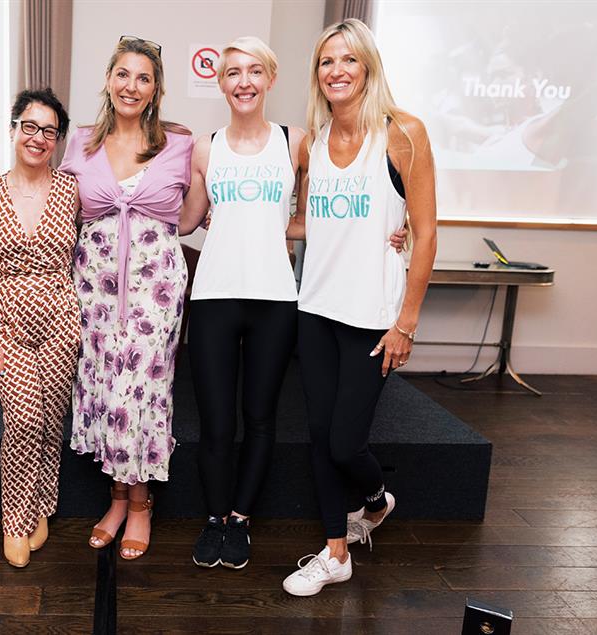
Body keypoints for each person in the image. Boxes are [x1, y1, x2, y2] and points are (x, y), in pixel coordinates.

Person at [178, 37, 407, 571]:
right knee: (215, 424)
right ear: (221, 81)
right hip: (213, 296)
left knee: (260, 419)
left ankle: (240, 520)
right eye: (233, 72)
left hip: (278, 301)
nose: (243, 82)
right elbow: (188, 220)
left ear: (271, 79)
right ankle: (214, 520)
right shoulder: (206, 147)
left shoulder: (299, 141)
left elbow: (338, 204)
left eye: (255, 71)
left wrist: (405, 229)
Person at [282, 19, 437, 596]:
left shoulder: (403, 134)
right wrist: (254, 223)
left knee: (346, 442)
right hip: (316, 308)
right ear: (317, 74)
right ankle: (335, 552)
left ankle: (375, 499)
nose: (337, 71)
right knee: (320, 437)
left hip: (374, 318)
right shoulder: (314, 141)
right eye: (326, 62)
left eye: (348, 60)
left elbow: (426, 233)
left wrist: (407, 322)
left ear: (368, 66)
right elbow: (311, 223)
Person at [59, 37, 193, 560]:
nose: (131, 85)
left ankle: (140, 505)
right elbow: (64, 213)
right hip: (93, 286)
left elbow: (194, 211)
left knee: (141, 388)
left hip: (155, 285)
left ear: (156, 88)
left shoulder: (178, 144)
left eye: (143, 77)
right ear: (108, 79)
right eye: (123, 74)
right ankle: (117, 498)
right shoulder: (82, 143)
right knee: (105, 387)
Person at [0, 88, 79, 568]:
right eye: (29, 127)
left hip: (60, 318)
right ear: (13, 129)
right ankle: (14, 519)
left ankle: (41, 506)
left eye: (48, 131)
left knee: (51, 419)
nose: (37, 138)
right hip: (9, 323)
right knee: (24, 420)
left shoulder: (71, 190)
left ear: (57, 140)